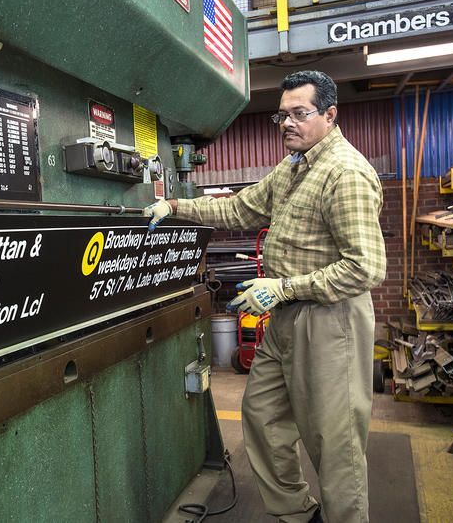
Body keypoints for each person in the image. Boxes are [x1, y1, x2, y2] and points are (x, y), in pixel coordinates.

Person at [144, 70, 385, 523]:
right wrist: (174, 207)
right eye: (282, 115)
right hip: (286, 316)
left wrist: (283, 287)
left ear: (330, 115)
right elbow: (239, 208)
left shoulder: (345, 173)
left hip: (329, 320)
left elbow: (365, 268)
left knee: (335, 444)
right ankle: (299, 514)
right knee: (262, 417)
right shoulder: (293, 167)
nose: (287, 123)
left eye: (300, 113)